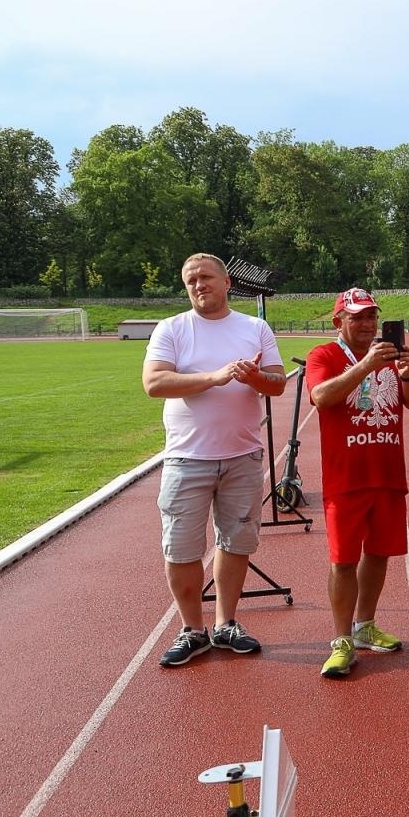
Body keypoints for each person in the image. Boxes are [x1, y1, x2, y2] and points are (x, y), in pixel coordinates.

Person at [143, 253, 287, 668]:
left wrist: (252, 378)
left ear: (227, 282)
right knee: (181, 547)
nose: (198, 285)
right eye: (190, 280)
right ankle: (192, 629)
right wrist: (214, 376)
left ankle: (226, 624)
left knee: (236, 542)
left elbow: (276, 384)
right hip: (187, 458)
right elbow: (154, 383)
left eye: (206, 277)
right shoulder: (171, 328)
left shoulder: (255, 327)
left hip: (242, 455)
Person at [306, 288, 409, 678]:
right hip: (346, 479)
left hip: (388, 475)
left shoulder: (390, 356)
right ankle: (341, 638)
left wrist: (407, 374)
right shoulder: (324, 355)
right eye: (357, 317)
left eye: (371, 316)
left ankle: (365, 625)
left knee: (379, 554)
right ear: (337, 321)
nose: (367, 324)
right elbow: (321, 396)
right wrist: (365, 367)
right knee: (343, 560)